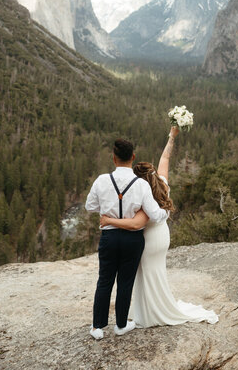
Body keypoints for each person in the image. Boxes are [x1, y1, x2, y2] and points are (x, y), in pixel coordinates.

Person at [100, 127, 219, 328]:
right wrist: (172, 136)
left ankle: (148, 314)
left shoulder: (144, 198)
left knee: (144, 273)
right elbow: (165, 159)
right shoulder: (162, 185)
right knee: (156, 272)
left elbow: (137, 224)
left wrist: (109, 221)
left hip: (148, 241)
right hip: (162, 237)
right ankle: (154, 306)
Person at [85, 138, 168, 340]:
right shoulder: (141, 185)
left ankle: (97, 327)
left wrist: (108, 213)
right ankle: (121, 325)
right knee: (125, 281)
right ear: (133, 157)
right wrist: (166, 211)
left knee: (104, 280)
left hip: (110, 236)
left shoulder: (101, 180)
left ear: (113, 158)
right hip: (132, 239)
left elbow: (90, 206)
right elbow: (155, 215)